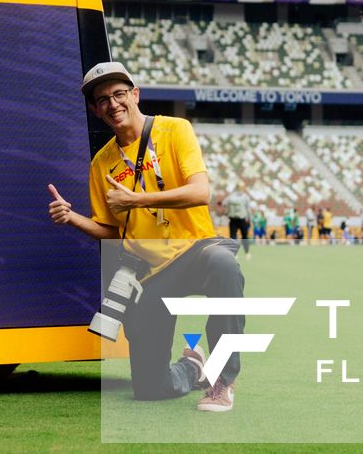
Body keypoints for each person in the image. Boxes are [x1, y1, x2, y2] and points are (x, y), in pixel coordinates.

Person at [47, 62, 245, 413]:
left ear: (135, 95)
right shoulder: (101, 163)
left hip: (196, 249)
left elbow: (200, 192)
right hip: (150, 272)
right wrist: (73, 218)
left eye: (119, 94)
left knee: (224, 264)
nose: (113, 103)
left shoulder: (174, 129)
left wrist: (137, 200)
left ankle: (222, 380)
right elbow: (112, 231)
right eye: (103, 99)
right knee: (150, 388)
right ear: (95, 110)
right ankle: (193, 368)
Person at [223, 186, 252, 257]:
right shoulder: (245, 196)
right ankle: (247, 253)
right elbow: (248, 209)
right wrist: (249, 219)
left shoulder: (231, 196)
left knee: (233, 237)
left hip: (233, 219)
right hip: (242, 219)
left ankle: (234, 254)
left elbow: (224, 203)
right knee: (244, 236)